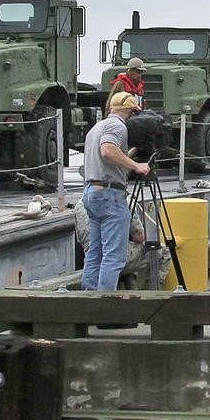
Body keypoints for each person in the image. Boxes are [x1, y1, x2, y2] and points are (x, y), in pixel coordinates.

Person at [81, 91, 152, 290]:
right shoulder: (117, 125)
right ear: (130, 110)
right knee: (114, 256)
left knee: (95, 253)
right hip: (110, 195)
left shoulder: (96, 128)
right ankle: (106, 308)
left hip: (92, 193)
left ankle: (89, 302)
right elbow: (108, 150)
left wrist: (127, 159)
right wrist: (136, 166)